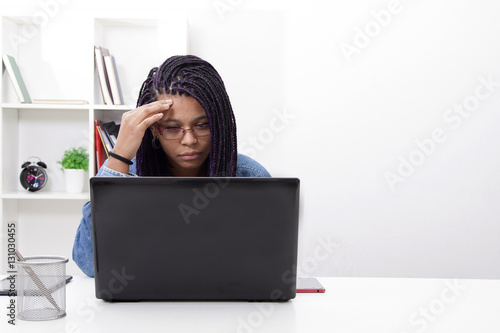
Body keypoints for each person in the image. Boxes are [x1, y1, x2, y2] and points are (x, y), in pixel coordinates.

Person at [73, 55, 270, 277]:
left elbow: (268, 264)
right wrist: (119, 156)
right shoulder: (129, 174)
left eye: (203, 125)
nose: (189, 140)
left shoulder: (250, 177)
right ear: (155, 130)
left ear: (220, 124)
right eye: (172, 128)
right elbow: (90, 264)